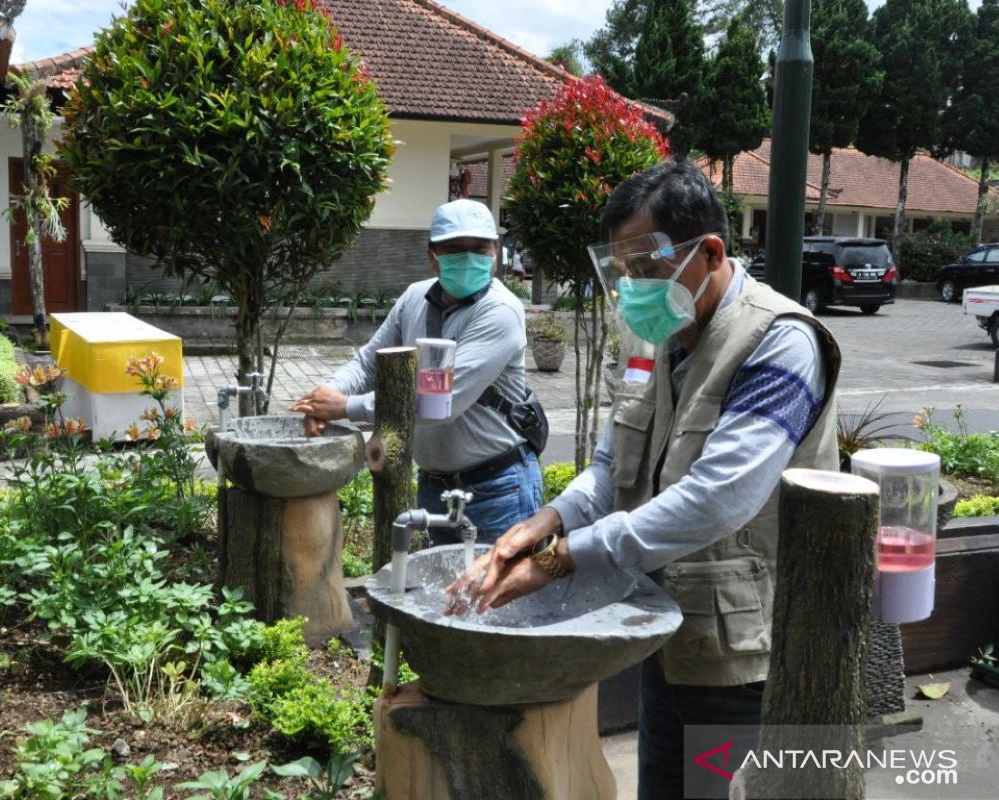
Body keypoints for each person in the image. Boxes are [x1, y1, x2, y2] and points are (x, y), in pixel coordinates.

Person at [450, 158, 842, 799]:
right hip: (665, 625)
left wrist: (558, 558)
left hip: (742, 649)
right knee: (663, 787)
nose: (633, 288)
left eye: (646, 270)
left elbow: (716, 500)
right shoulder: (665, 335)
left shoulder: (781, 343)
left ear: (710, 252)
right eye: (623, 272)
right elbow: (611, 464)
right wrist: (548, 519)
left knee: (712, 788)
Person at [290, 198, 544, 544]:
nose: (469, 257)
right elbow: (368, 362)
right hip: (435, 487)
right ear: (432, 256)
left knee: (498, 598)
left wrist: (346, 407)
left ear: (496, 253)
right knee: (441, 595)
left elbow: (440, 403)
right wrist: (326, 395)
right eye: (455, 248)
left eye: (480, 248)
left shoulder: (500, 312)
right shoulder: (415, 298)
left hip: (497, 489)